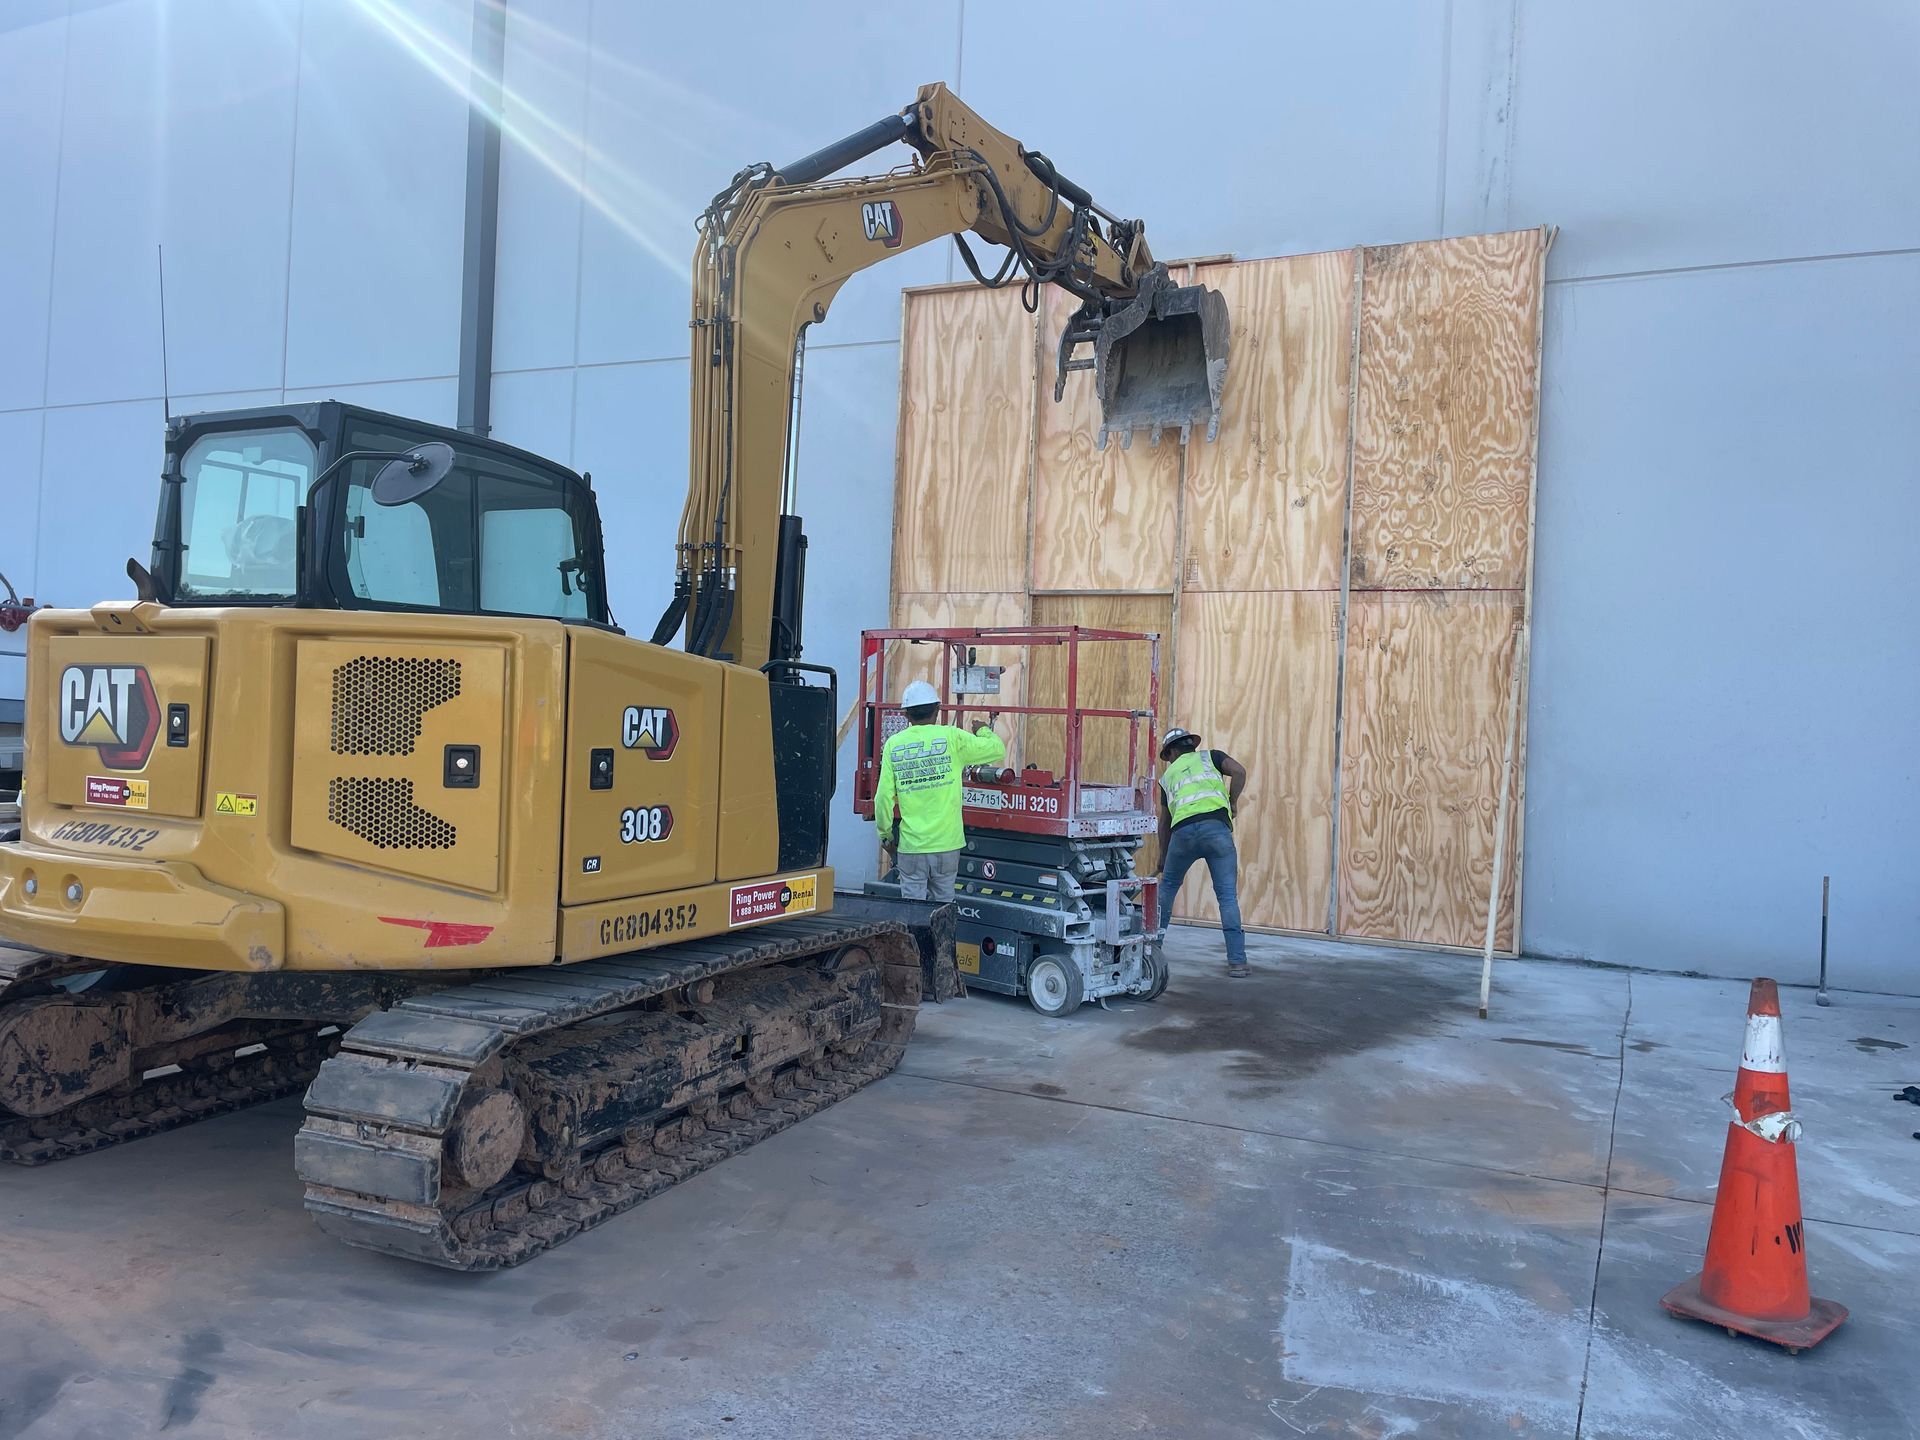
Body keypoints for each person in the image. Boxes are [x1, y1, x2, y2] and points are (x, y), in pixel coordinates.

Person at [873, 679, 1006, 903]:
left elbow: (883, 798)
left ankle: (916, 939)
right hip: (947, 846)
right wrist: (982, 729)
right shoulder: (952, 738)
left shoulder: (894, 745)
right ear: (937, 709)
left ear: (906, 715)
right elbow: (997, 749)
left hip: (912, 847)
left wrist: (885, 835)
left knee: (913, 910)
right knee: (943, 908)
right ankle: (942, 939)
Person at [1152, 727, 1250, 976]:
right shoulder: (1212, 757)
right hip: (1216, 831)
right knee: (1227, 896)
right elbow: (1239, 771)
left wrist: (1163, 859)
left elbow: (1164, 823)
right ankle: (1237, 962)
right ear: (1191, 746)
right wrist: (1232, 801)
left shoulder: (1168, 776)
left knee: (1168, 888)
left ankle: (1152, 951)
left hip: (1182, 835)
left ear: (1172, 752)